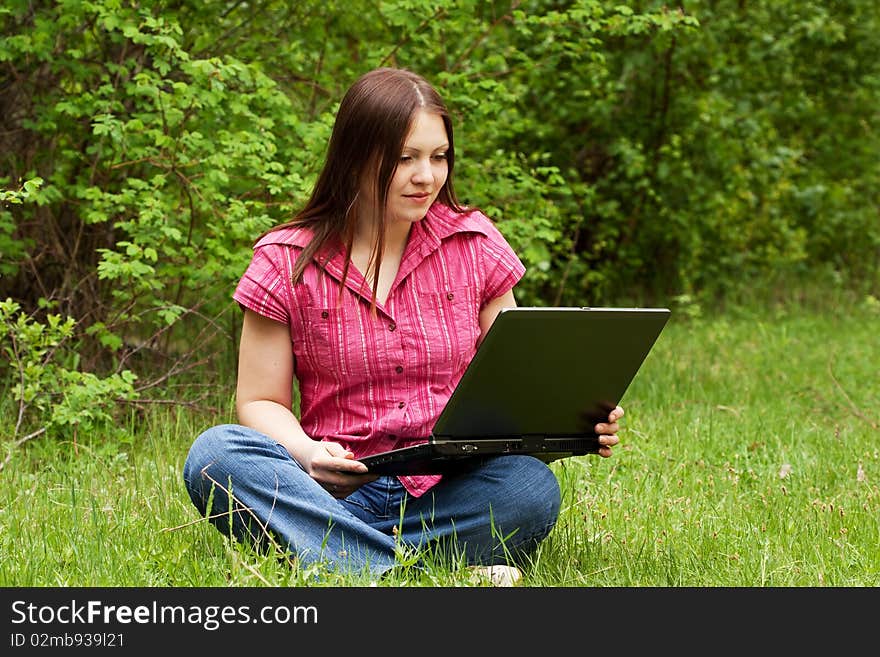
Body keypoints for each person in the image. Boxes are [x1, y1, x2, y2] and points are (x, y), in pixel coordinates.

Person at [183, 66, 623, 585]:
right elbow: (259, 402)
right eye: (405, 158)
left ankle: (343, 558)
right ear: (355, 157)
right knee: (215, 455)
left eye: (438, 157)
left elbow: (517, 381)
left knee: (529, 488)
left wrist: (570, 418)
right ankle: (422, 571)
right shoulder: (285, 260)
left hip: (449, 486)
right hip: (331, 486)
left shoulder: (474, 245)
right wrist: (308, 454)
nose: (427, 177)